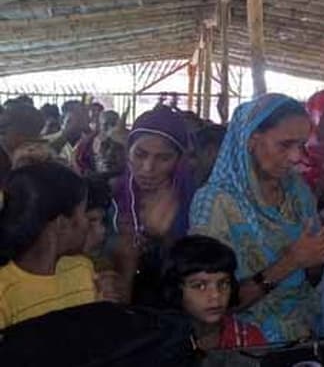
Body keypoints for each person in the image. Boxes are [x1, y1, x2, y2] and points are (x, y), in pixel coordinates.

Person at [190, 94, 324, 344]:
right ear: (251, 140)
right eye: (285, 145)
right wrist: (291, 261)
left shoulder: (297, 192)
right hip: (240, 344)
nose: (295, 157)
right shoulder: (215, 203)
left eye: (301, 145)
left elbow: (308, 279)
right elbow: (210, 301)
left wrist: (322, 253)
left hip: (300, 334)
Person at [112, 106, 195, 306]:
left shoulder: (194, 205)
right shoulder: (109, 196)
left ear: (179, 161)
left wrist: (166, 239)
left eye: (164, 158)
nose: (148, 168)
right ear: (128, 152)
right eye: (140, 154)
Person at [0, 163, 96, 328]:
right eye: (83, 212)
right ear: (61, 224)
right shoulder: (4, 293)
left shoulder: (83, 269)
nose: (87, 222)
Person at [161, 235, 266, 350]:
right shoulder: (159, 341)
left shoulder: (247, 338)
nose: (216, 295)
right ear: (176, 289)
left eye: (223, 284)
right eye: (200, 286)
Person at [75, 109, 120, 175]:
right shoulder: (87, 141)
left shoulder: (122, 142)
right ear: (100, 125)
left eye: (113, 124)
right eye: (105, 124)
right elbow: (78, 161)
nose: (109, 127)